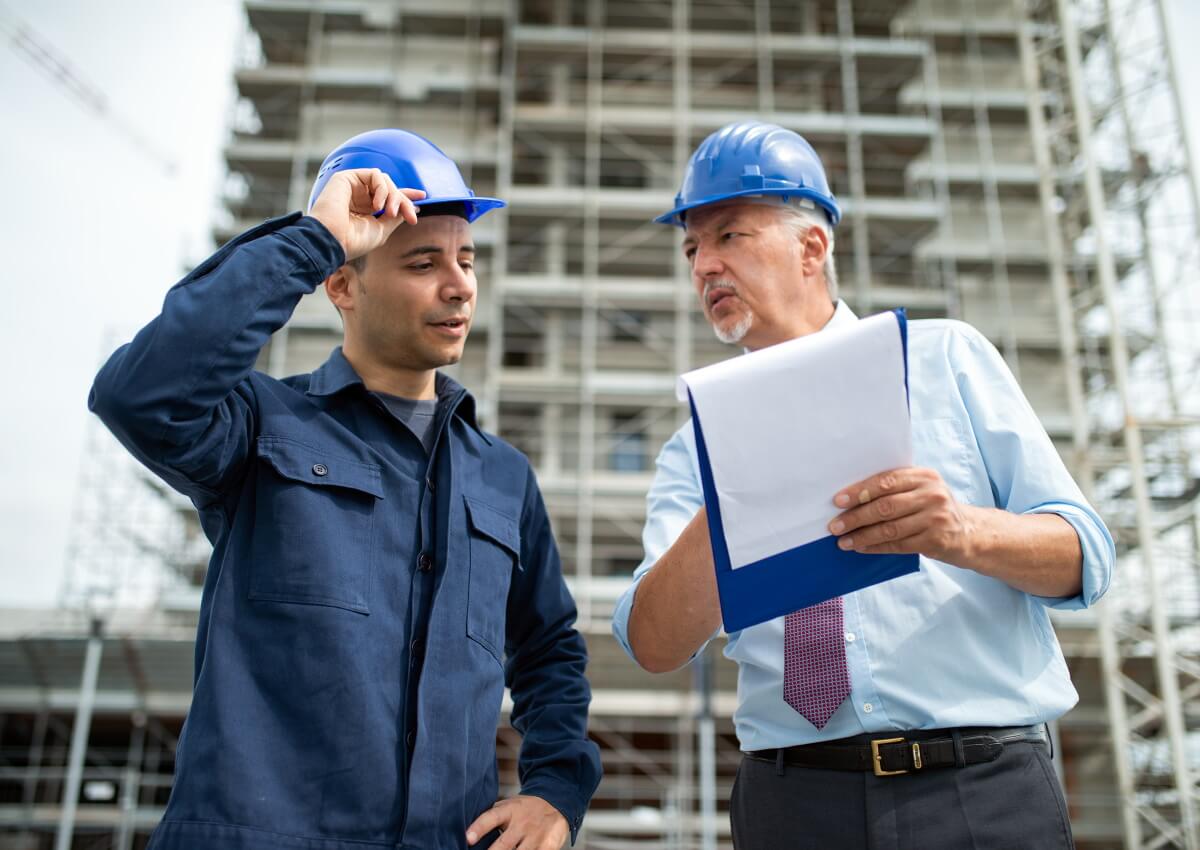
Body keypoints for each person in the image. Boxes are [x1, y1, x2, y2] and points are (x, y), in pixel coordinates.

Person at [90, 128, 600, 850]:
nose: (459, 285)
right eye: (423, 262)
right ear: (342, 284)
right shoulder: (260, 428)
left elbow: (549, 651)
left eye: (466, 259)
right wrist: (314, 237)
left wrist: (554, 790)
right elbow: (138, 396)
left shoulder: (502, 477)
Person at [611, 120, 1115, 850]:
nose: (703, 267)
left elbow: (1086, 558)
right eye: (692, 249)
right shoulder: (695, 448)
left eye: (728, 236)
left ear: (811, 248)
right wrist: (738, 490)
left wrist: (960, 530)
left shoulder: (944, 360)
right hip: (795, 802)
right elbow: (653, 642)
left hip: (979, 789)